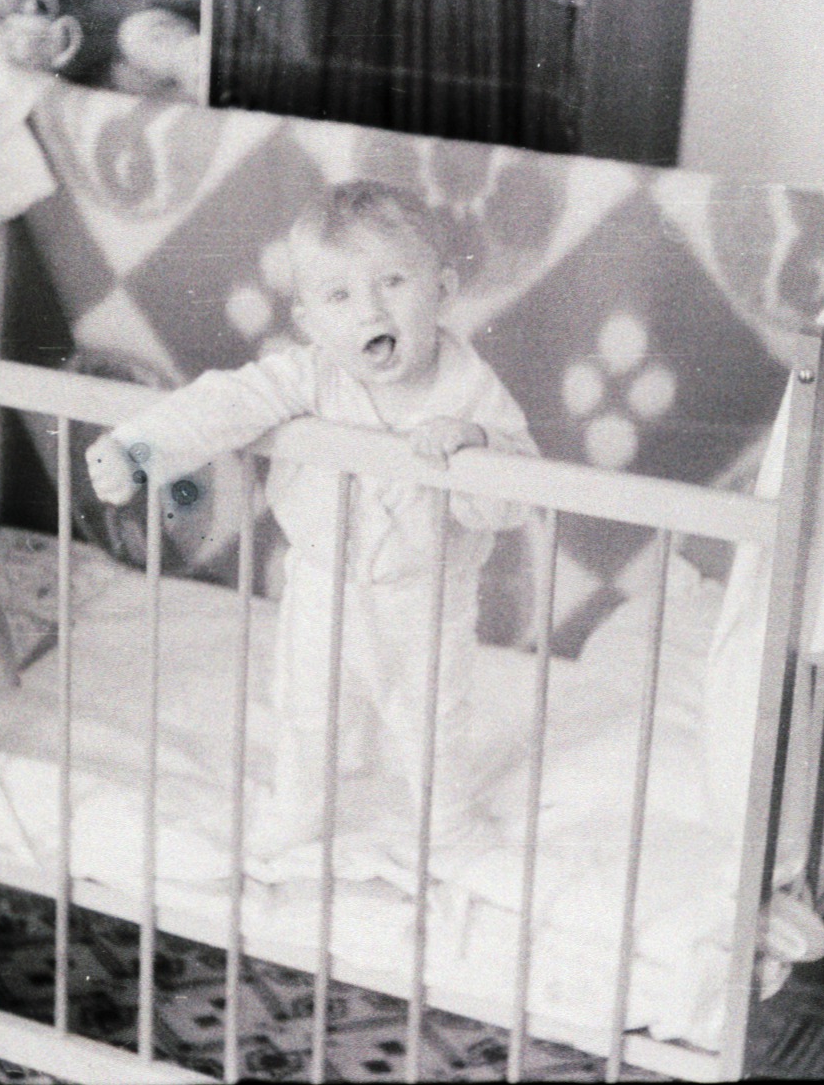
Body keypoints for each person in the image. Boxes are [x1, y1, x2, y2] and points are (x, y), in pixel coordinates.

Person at [86, 180, 537, 852]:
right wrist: (138, 449)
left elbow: (518, 493)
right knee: (305, 709)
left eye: (393, 282)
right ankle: (300, 807)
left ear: (441, 292)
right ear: (310, 322)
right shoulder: (308, 375)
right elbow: (222, 405)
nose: (369, 309)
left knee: (432, 718)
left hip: (426, 597)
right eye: (339, 296)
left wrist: (475, 448)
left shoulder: (472, 392)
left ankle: (447, 822)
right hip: (321, 585)